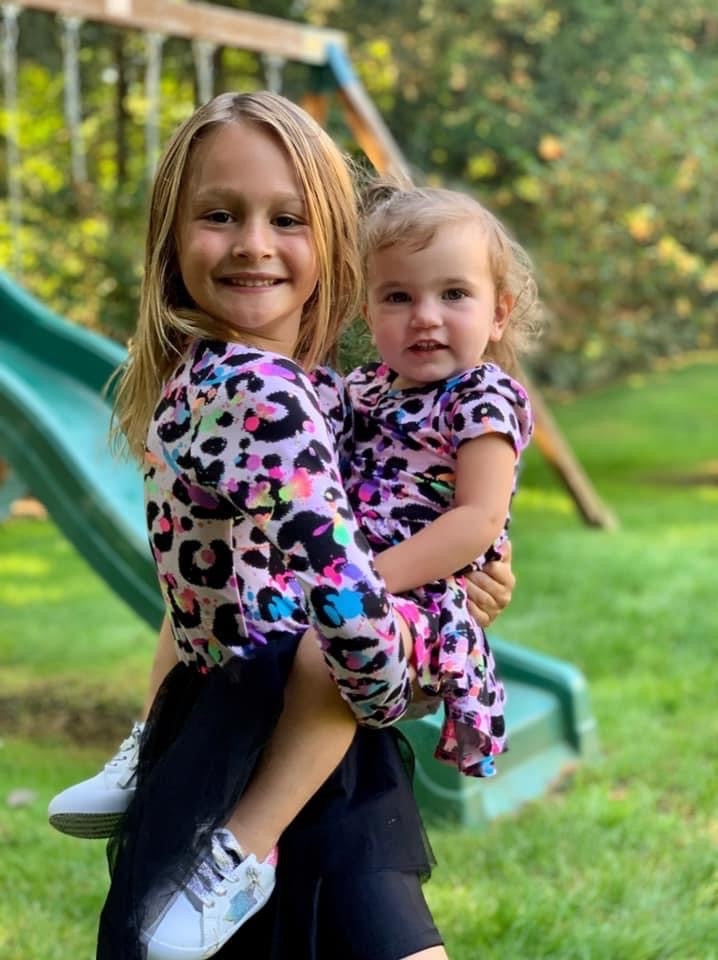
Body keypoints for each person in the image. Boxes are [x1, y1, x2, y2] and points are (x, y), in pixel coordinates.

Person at [51, 91, 514, 960]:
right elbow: (356, 639)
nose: (255, 244)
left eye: (287, 218)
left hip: (228, 727)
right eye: (221, 214)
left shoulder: (262, 383)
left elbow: (205, 584)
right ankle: (228, 842)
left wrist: (461, 583)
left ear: (332, 240)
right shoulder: (266, 398)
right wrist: (425, 648)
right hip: (274, 734)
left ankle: (149, 753)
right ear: (171, 237)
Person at [324, 180, 541, 777]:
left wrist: (370, 582)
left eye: (453, 294)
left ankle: (257, 832)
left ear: (498, 313)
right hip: (347, 584)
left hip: (417, 599)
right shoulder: (360, 389)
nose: (425, 317)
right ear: (367, 313)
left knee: (313, 670)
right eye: (397, 296)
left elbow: (477, 520)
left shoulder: (482, 398)